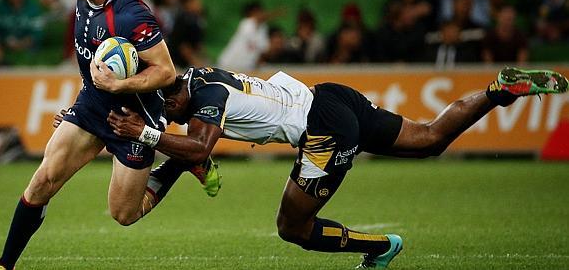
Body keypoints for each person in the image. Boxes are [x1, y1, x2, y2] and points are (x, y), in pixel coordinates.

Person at [106, 66, 568, 269]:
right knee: (430, 139)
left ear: (173, 94)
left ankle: (382, 246)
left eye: (168, 110)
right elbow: (192, 149)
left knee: (292, 226)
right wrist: (172, 160)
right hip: (330, 95)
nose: (171, 117)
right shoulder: (200, 79)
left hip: (323, 129)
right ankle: (498, 92)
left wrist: (143, 135)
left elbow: (198, 149)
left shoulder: (205, 99)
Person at [0, 0, 217, 270]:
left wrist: (119, 85)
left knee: (124, 214)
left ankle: (181, 162)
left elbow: (167, 72)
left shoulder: (132, 15)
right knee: (42, 181)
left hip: (133, 119)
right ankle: (2, 265)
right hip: (92, 106)